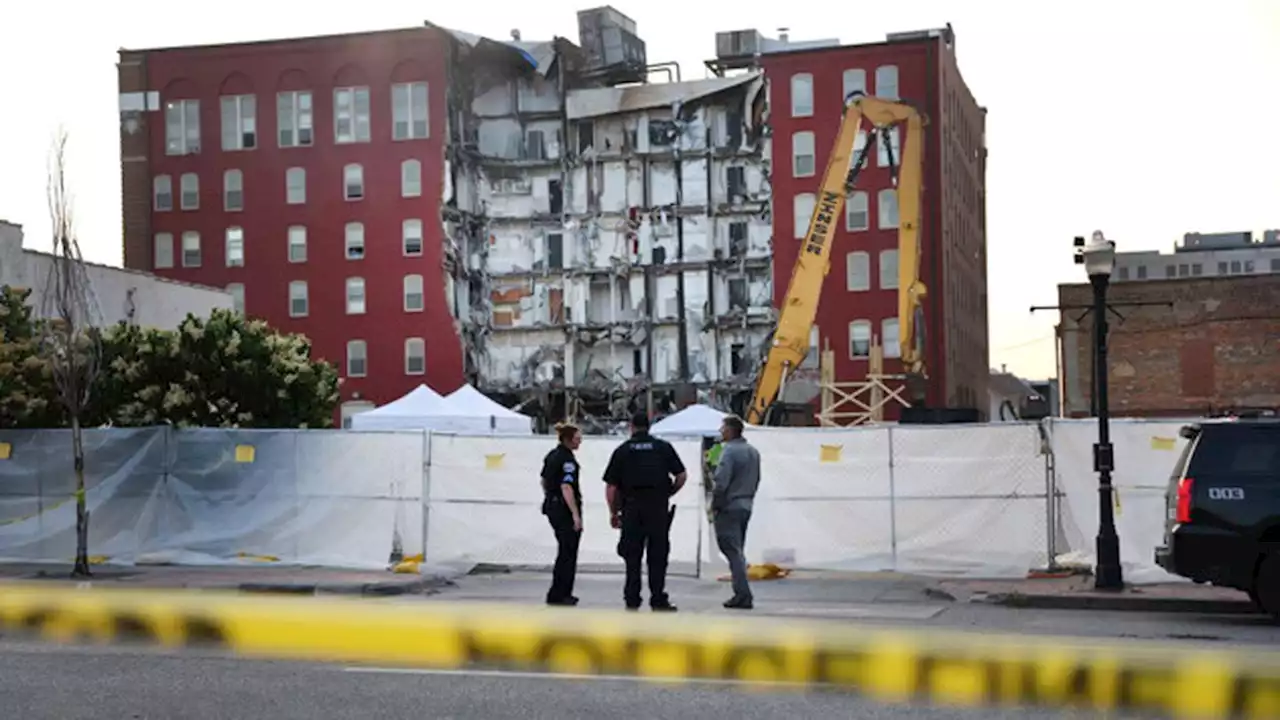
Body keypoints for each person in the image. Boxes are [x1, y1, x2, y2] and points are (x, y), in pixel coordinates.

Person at [603, 412, 687, 611]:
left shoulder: (622, 451)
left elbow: (611, 488)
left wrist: (613, 513)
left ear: (631, 426)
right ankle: (658, 598)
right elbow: (681, 476)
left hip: (632, 509)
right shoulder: (663, 448)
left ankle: (632, 598)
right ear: (649, 427)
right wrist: (668, 493)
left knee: (632, 556)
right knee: (657, 556)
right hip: (657, 509)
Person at [711, 414, 761, 610]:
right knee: (738, 549)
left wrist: (715, 504)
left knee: (732, 551)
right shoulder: (753, 452)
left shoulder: (729, 452)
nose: (721, 432)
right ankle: (741, 592)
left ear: (731, 430)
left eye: (723, 428)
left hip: (729, 506)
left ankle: (742, 594)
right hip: (746, 504)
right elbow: (757, 479)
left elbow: (721, 482)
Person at [541, 422, 583, 606]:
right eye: (576, 439)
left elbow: (543, 480)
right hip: (564, 510)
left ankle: (560, 591)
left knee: (564, 550)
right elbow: (566, 486)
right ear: (567, 439)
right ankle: (560, 593)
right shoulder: (567, 461)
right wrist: (575, 514)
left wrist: (550, 497)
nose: (579, 442)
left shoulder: (552, 455)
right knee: (568, 552)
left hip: (552, 506)